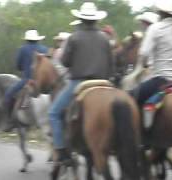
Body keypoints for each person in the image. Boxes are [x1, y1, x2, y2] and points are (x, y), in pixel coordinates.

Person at [49, 2, 113, 162]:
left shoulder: (74, 37)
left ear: (81, 19)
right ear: (96, 20)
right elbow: (111, 63)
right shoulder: (105, 38)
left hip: (79, 83)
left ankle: (61, 150)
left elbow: (64, 62)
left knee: (54, 113)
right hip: (104, 82)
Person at [131, 2, 172, 127]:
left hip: (163, 80)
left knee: (131, 96)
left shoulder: (155, 28)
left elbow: (143, 53)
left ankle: (141, 133)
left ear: (160, 13)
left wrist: (143, 65)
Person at [3, 30, 48, 132]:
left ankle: (10, 122)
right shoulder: (45, 49)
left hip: (28, 79)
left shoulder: (23, 49)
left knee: (8, 95)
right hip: (44, 82)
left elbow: (18, 66)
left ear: (27, 40)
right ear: (37, 39)